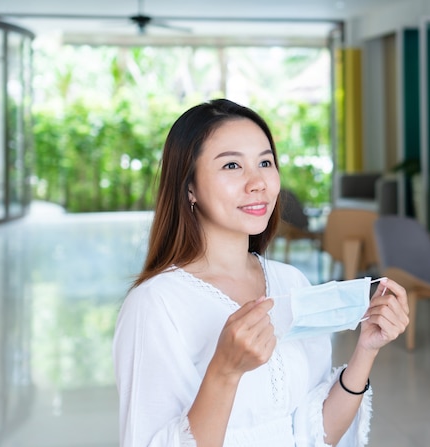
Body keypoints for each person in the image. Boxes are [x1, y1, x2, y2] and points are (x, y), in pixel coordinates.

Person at [112, 98, 410, 447]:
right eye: (232, 166)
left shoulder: (290, 282)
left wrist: (367, 349)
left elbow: (316, 434)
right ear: (189, 187)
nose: (258, 182)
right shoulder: (155, 305)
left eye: (265, 162)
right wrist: (224, 371)